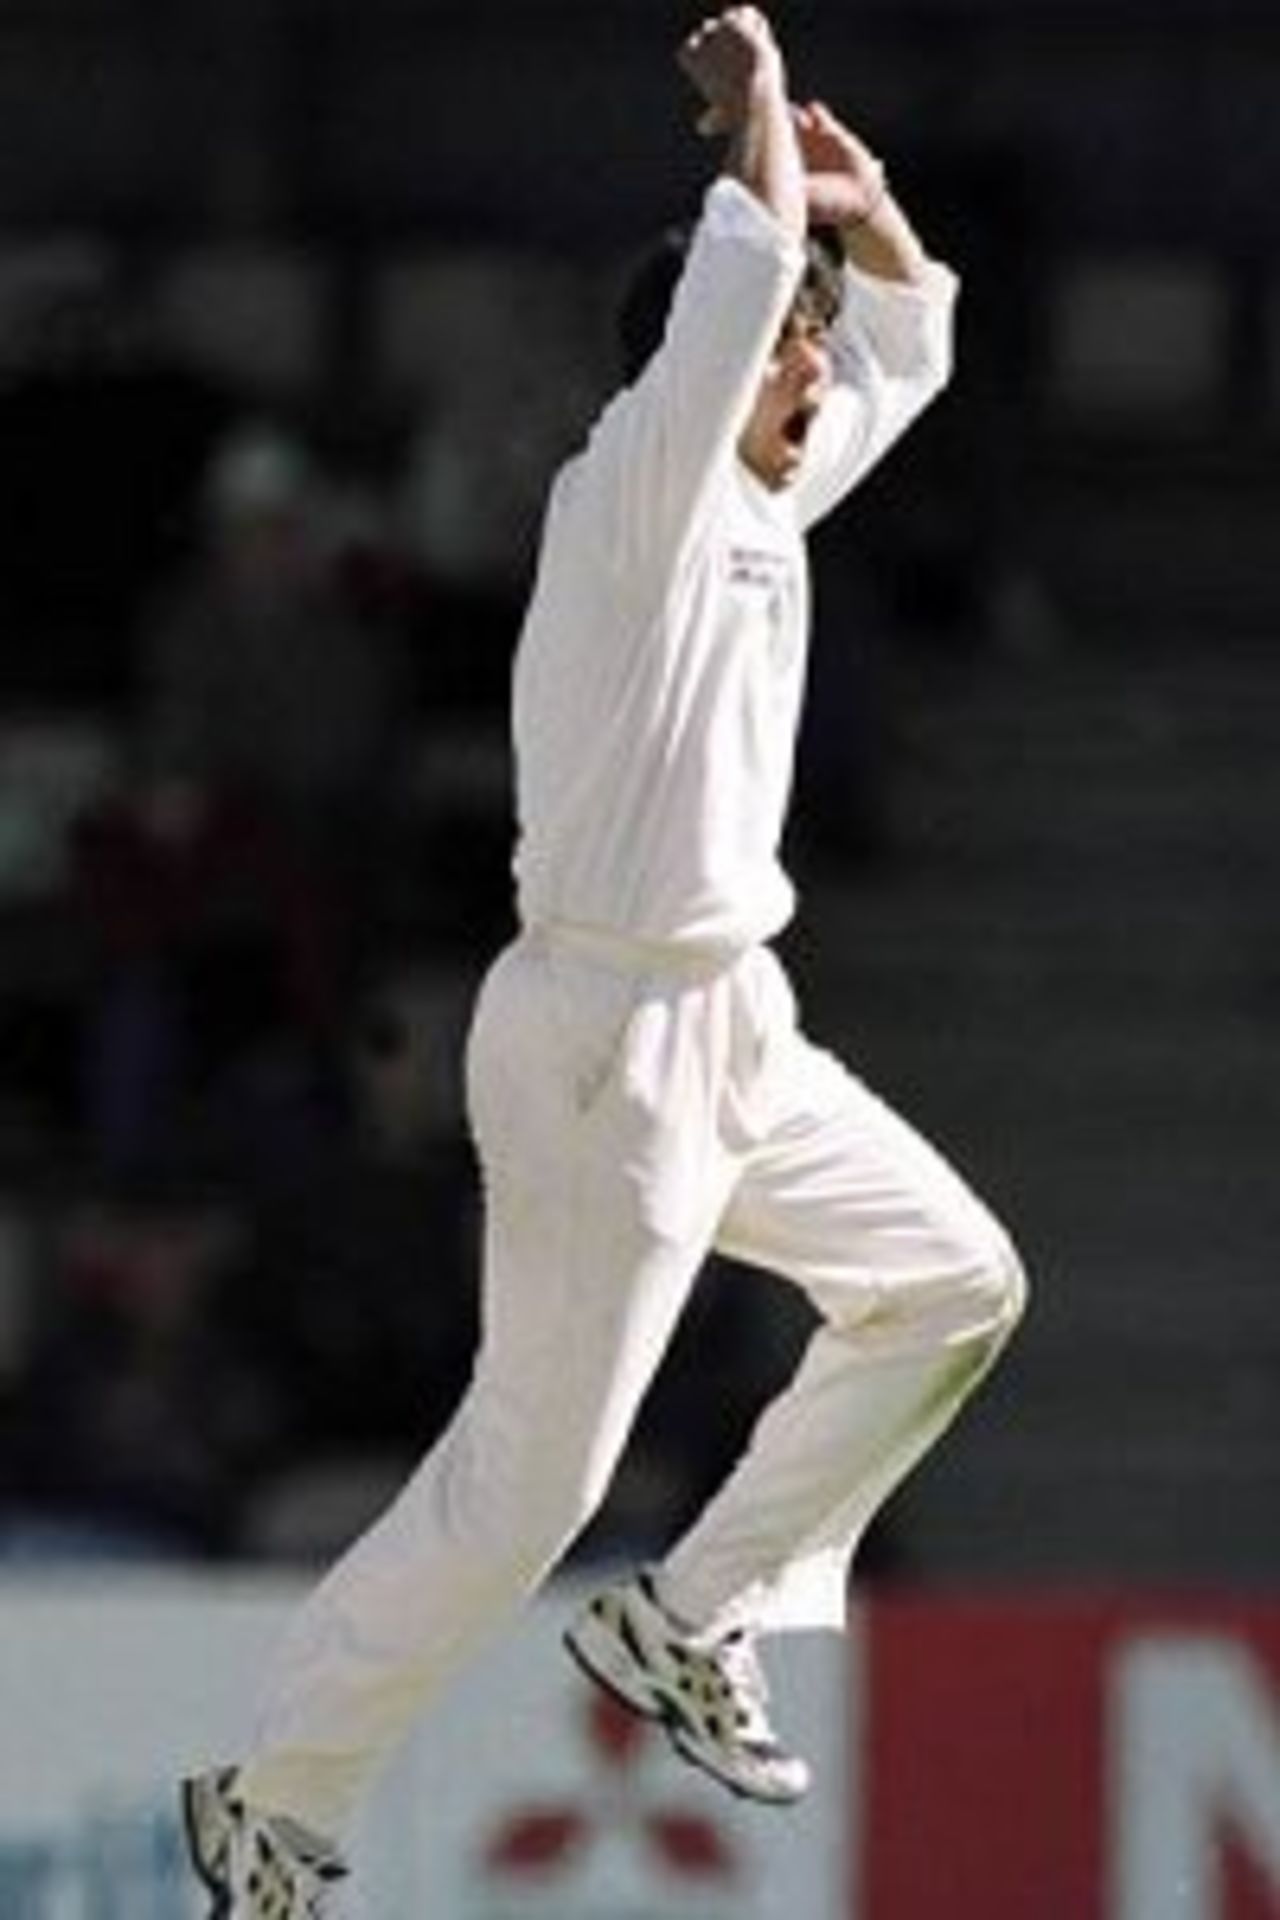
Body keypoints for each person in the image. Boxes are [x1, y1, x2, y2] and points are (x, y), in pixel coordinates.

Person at [181, 11, 1027, 1915]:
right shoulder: (631, 490)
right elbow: (733, 301)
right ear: (696, 365)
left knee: (953, 1281)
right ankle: (269, 1801)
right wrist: (743, 115)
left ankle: (700, 1612)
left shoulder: (758, 499)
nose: (818, 373)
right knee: (526, 1492)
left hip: (735, 1019)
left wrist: (866, 205)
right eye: (787, 346)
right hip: (599, 1041)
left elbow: (915, 343)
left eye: (808, 349)